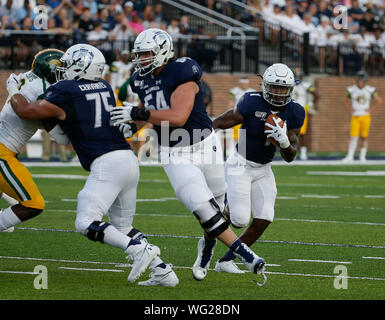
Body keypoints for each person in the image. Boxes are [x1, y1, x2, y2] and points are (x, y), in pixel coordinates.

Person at [9, 44, 178, 287]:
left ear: (80, 66)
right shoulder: (105, 86)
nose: (64, 70)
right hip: (127, 160)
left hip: (107, 162)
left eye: (68, 64)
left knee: (85, 222)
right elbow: (68, 132)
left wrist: (15, 90)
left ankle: (137, 250)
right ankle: (163, 271)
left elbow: (25, 111)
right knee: (123, 226)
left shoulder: (66, 89)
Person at [110, 28, 267, 285]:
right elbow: (151, 110)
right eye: (140, 54)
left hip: (205, 145)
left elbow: (177, 116)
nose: (142, 59)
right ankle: (246, 255)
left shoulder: (183, 70)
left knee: (222, 211)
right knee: (202, 207)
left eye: (148, 54)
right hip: (173, 151)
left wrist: (138, 116)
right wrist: (132, 124)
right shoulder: (139, 79)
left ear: (163, 51)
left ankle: (206, 249)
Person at [211, 63, 305, 274]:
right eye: (274, 87)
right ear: (264, 85)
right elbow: (232, 117)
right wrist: (210, 126)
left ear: (290, 89)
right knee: (239, 220)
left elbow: (290, 156)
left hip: (264, 168)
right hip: (240, 163)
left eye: (283, 89)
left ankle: (226, 261)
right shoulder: (251, 100)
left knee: (264, 218)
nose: (279, 93)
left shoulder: (296, 111)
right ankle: (225, 206)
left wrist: (284, 143)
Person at [0, 49, 69, 233]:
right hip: (2, 153)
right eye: (62, 70)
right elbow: (60, 137)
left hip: (6, 149)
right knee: (34, 203)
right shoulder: (44, 90)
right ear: (50, 70)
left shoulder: (27, 78)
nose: (65, 75)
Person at [342, 70, 381, 163]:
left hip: (365, 115)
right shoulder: (352, 89)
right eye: (359, 80)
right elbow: (344, 101)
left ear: (365, 81)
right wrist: (350, 109)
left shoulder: (370, 89)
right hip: (355, 116)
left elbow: (379, 100)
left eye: (362, 80)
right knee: (353, 136)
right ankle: (350, 156)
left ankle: (362, 157)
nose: (360, 82)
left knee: (364, 137)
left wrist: (371, 110)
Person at [292, 68, 319, 161]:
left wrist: (311, 103)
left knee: (302, 133)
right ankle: (292, 152)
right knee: (291, 132)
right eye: (296, 76)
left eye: (299, 76)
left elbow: (316, 95)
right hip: (291, 110)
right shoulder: (290, 85)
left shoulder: (305, 85)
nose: (298, 78)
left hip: (302, 110)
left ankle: (303, 153)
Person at [226, 77, 255, 157]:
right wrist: (230, 114)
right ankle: (232, 154)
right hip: (237, 116)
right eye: (243, 83)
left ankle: (243, 154)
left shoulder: (252, 91)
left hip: (248, 117)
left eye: (246, 83)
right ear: (240, 83)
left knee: (246, 136)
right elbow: (231, 103)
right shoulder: (234, 91)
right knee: (235, 136)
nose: (244, 85)